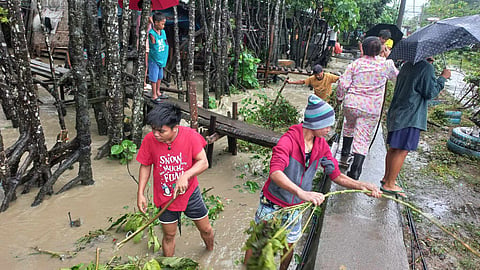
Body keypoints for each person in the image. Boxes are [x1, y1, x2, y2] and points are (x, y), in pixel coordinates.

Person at [244, 94, 382, 270]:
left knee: (288, 245)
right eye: (327, 125)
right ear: (315, 123)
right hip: (273, 204)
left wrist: (362, 186)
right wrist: (301, 193)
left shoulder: (321, 145)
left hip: (296, 207)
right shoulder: (288, 141)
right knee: (258, 244)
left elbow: (336, 175)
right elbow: (275, 172)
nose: (330, 129)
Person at [136, 102, 214, 256]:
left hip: (190, 194)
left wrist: (185, 175)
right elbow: (145, 165)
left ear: (175, 128)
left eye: (161, 131)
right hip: (165, 197)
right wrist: (140, 193)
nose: (156, 134)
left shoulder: (191, 136)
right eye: (153, 129)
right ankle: (169, 263)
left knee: (206, 229)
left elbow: (203, 162)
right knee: (169, 235)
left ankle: (210, 254)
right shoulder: (150, 140)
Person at [381, 58, 451, 197]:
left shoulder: (408, 64)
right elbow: (430, 93)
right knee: (402, 150)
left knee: (394, 148)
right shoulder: (426, 68)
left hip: (398, 112)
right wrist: (442, 78)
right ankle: (390, 183)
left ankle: (386, 178)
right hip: (411, 115)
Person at [336, 36, 398, 180]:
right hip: (371, 108)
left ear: (362, 48)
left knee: (349, 125)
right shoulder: (386, 64)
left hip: (351, 103)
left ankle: (345, 152)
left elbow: (342, 84)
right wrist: (390, 60)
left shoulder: (355, 64)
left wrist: (339, 98)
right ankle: (355, 170)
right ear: (381, 49)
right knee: (362, 138)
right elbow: (397, 79)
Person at [148, 12, 169, 101]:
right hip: (154, 59)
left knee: (160, 76)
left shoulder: (163, 32)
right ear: (156, 23)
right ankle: (154, 94)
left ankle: (158, 91)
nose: (163, 26)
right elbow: (154, 45)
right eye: (162, 24)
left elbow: (165, 42)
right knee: (154, 76)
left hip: (162, 58)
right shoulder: (152, 33)